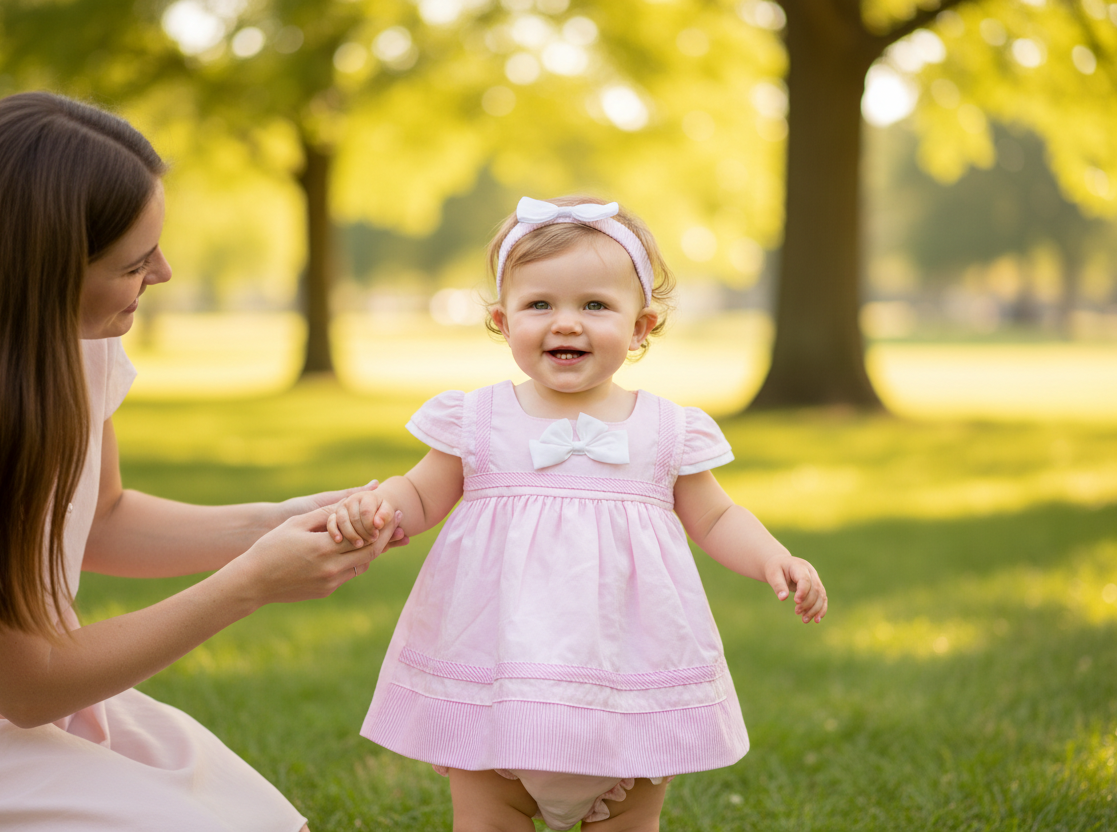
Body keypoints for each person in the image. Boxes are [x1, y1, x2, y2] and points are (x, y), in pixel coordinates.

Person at [0, 92, 402, 831]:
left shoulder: (81, 354)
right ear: (44, 270)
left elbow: (102, 518)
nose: (162, 272)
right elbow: (25, 686)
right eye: (133, 262)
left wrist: (279, 521)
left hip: (32, 702)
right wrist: (252, 583)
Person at [328, 196, 829, 831]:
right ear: (502, 322)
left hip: (625, 685)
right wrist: (378, 506)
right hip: (498, 682)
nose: (566, 323)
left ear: (642, 326)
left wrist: (775, 560)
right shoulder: (478, 420)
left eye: (595, 305)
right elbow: (422, 494)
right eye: (539, 304)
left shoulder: (666, 431)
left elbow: (718, 519)